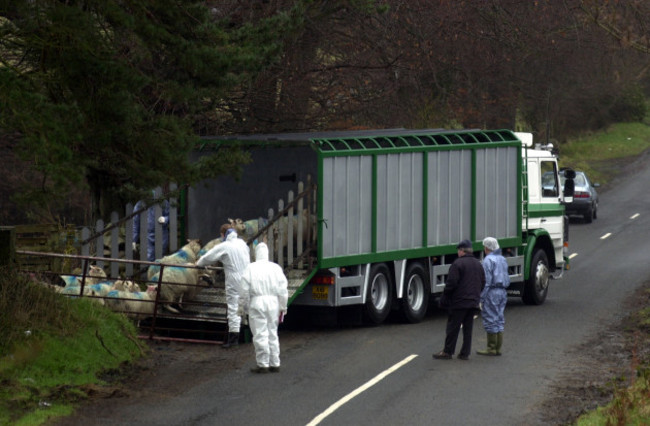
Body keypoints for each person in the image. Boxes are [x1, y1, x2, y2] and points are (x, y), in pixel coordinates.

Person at [238, 241, 288, 373]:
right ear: (267, 253)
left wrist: (242, 307)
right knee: (272, 333)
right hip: (273, 303)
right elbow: (283, 290)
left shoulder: (250, 268)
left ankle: (263, 364)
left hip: (257, 302)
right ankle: (275, 363)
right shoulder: (276, 268)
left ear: (255, 254)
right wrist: (283, 306)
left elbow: (243, 290)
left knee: (260, 334)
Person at [197, 224, 250, 348]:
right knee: (246, 305)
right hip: (247, 276)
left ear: (222, 235)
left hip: (234, 278)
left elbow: (208, 257)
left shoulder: (225, 246)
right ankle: (250, 335)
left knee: (233, 307)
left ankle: (233, 340)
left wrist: (198, 263)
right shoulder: (242, 243)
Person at [433, 239, 485, 360]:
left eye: (458, 250)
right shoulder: (478, 264)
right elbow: (483, 281)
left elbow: (451, 283)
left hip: (459, 302)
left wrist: (445, 296)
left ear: (462, 251)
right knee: (468, 328)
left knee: (453, 327)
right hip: (473, 301)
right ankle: (465, 353)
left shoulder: (457, 264)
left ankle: (448, 351)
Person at [477, 237, 510, 356]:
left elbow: (487, 281)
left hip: (492, 292)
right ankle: (498, 348)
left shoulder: (487, 260)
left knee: (490, 318)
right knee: (499, 318)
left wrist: (481, 298)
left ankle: (491, 348)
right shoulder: (502, 259)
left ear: (486, 248)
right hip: (502, 291)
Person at [132, 193, 170, 262]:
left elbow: (170, 215)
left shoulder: (163, 203)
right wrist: (134, 239)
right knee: (148, 259)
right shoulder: (140, 205)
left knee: (160, 259)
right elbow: (135, 223)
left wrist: (165, 219)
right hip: (147, 236)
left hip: (161, 235)